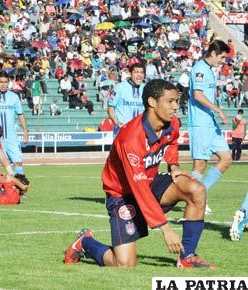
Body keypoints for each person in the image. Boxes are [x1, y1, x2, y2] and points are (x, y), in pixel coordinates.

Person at [64, 79, 215, 269]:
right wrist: (165, 228)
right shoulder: (130, 138)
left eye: (177, 101)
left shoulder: (172, 123)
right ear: (152, 102)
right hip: (122, 195)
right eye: (170, 101)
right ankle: (86, 242)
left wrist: (174, 165)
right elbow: (138, 188)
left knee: (196, 189)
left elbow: (172, 141)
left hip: (149, 182)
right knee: (125, 265)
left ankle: (187, 257)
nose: (176, 106)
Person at [188, 40, 232, 214]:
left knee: (226, 158)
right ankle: (195, 199)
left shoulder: (209, 71)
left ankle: (200, 193)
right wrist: (218, 110)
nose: (223, 61)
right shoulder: (199, 69)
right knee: (200, 165)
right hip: (200, 123)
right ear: (213, 53)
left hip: (210, 123)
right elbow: (197, 95)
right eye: (221, 57)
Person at [108, 61, 146, 137]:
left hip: (139, 132)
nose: (139, 75)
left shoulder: (146, 88)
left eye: (141, 72)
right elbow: (110, 107)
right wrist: (117, 123)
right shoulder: (119, 87)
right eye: (136, 72)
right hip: (122, 131)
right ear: (130, 74)